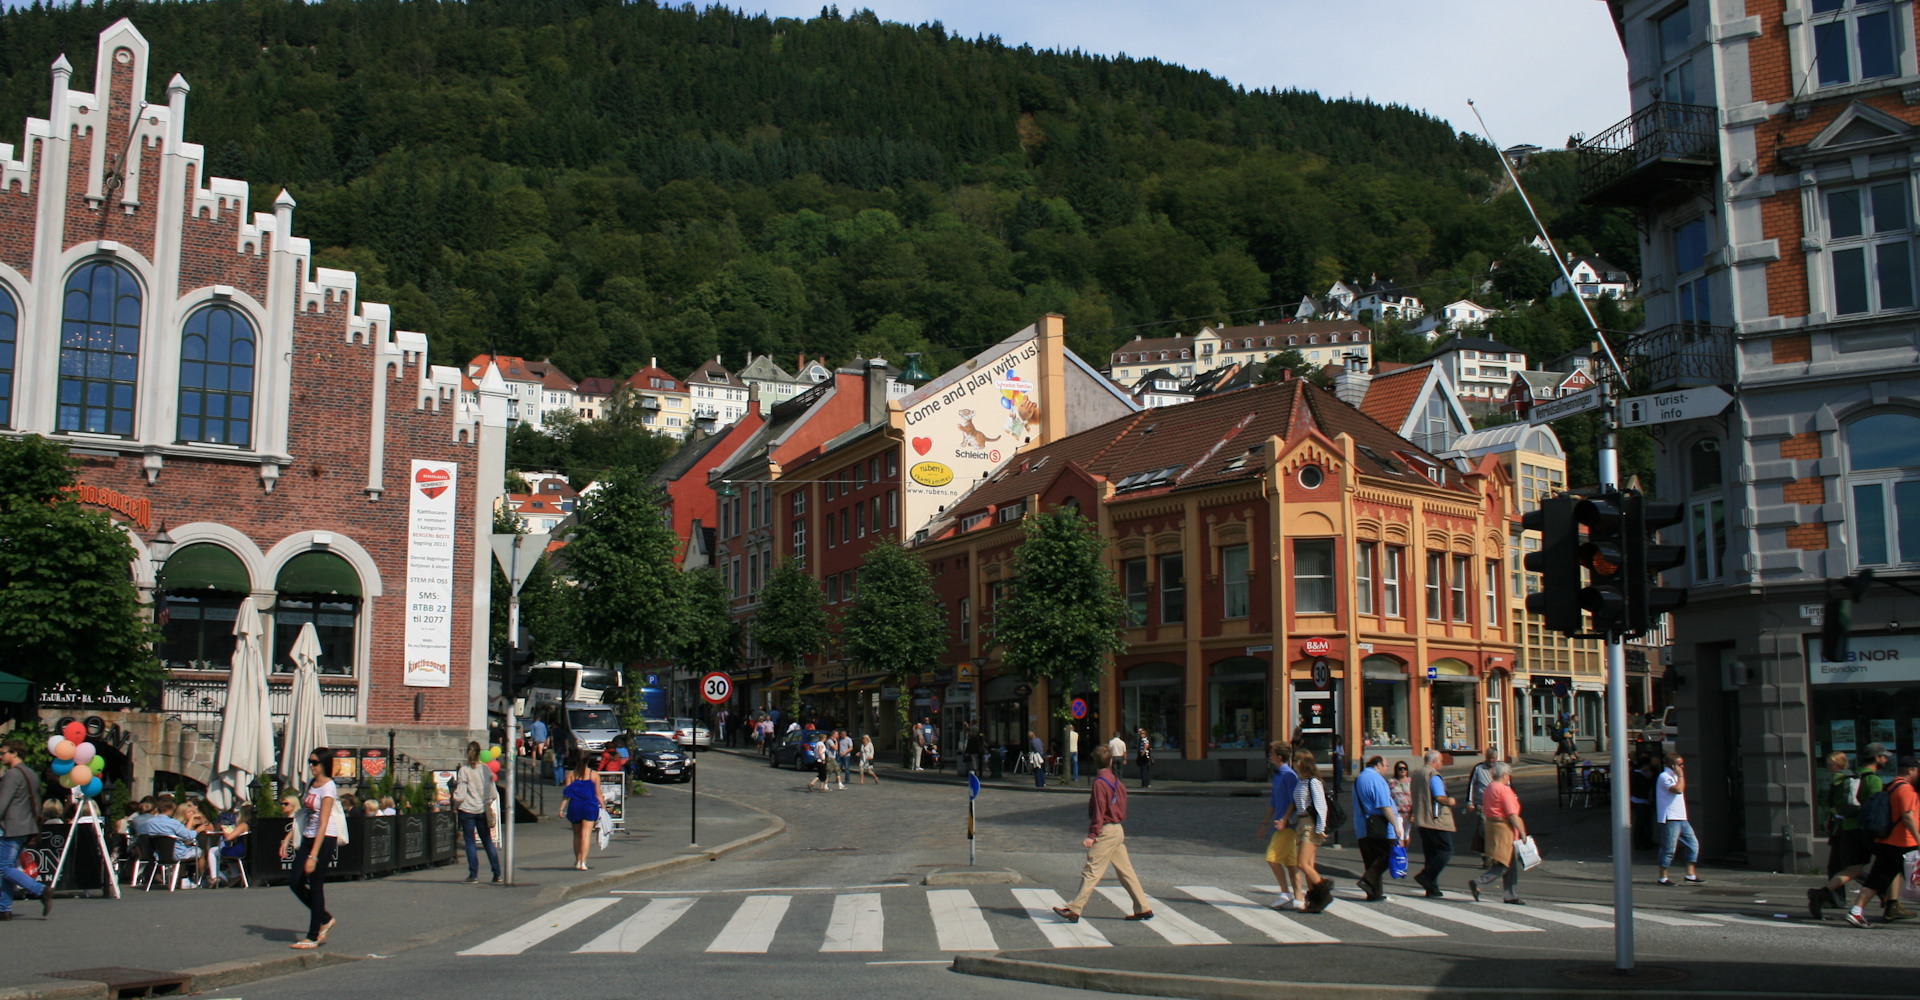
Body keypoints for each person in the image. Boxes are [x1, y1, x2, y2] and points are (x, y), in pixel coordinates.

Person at [1050, 744, 1153, 923]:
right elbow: (1120, 804)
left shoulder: (1099, 783)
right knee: (1126, 871)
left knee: (1092, 870)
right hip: (1118, 828)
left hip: (1106, 831)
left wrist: (1092, 834)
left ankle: (1075, 908)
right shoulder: (1116, 781)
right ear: (1111, 761)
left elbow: (1099, 811)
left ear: (1095, 762)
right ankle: (1143, 907)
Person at [1844, 755, 1920, 928]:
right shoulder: (1906, 789)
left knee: (1875, 880)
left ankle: (1856, 911)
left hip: (1887, 842)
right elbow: (1908, 816)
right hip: (1904, 844)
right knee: (1916, 879)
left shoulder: (1892, 785)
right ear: (1910, 770)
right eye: (1916, 770)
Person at [283, 746, 346, 949]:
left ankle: (313, 936)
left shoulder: (329, 787)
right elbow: (304, 815)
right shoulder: (312, 783)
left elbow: (323, 821)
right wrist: (287, 839)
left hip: (324, 837)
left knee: (316, 885)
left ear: (324, 764)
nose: (311, 766)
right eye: (310, 762)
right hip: (308, 835)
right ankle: (325, 918)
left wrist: (314, 856)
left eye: (315, 762)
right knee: (295, 882)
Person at [1811, 747, 1879, 919]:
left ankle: (1876, 891)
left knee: (1848, 866)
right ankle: (1834, 896)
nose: (1829, 767)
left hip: (1844, 826)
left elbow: (1837, 805)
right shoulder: (1849, 778)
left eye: (1831, 764)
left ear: (1839, 764)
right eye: (1828, 764)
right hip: (1844, 825)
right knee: (1847, 865)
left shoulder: (1841, 780)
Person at [0, 739, 49, 920]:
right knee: (8, 867)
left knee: (3, 867)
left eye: (3, 752)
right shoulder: (31, 773)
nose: (1, 756)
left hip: (11, 826)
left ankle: (41, 890)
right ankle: (4, 908)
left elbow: (2, 803)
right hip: (26, 825)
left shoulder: (12, 774)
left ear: (14, 753)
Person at [1468, 761, 1527, 904]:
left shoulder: (1490, 788)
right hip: (1504, 828)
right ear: (1504, 775)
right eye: (1509, 775)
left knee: (1510, 862)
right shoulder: (1504, 790)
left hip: (1492, 826)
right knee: (1504, 862)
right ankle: (1479, 882)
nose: (1509, 778)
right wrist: (1523, 832)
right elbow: (1512, 814)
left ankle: (1510, 894)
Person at [1353, 755, 1404, 902]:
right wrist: (1395, 824)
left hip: (1363, 826)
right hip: (1379, 825)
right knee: (1387, 856)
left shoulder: (1359, 779)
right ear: (1379, 764)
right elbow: (1384, 805)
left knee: (1371, 860)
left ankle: (1374, 892)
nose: (1387, 769)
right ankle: (1367, 881)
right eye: (1387, 765)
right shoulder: (1377, 780)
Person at [1290, 749, 1333, 913]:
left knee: (1301, 863)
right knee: (1308, 865)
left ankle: (1323, 892)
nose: (1294, 764)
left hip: (1311, 826)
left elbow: (1321, 806)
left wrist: (1321, 828)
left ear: (1303, 763)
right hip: (1302, 823)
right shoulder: (1301, 781)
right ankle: (1313, 902)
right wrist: (1289, 820)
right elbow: (1300, 807)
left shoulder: (1313, 782)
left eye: (1296, 761)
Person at [1411, 748, 1457, 898]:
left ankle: (1432, 887)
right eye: (1441, 762)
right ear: (1434, 761)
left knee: (1430, 854)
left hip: (1421, 818)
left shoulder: (1417, 773)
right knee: (1445, 850)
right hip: (1435, 819)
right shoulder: (1433, 775)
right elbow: (1439, 797)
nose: (1442, 765)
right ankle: (1426, 876)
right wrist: (1449, 801)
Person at [454, 741, 502, 884]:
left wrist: (455, 803)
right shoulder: (486, 770)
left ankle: (473, 874)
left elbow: (461, 794)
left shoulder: (464, 770)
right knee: (487, 841)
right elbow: (493, 792)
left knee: (470, 842)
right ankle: (497, 873)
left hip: (467, 809)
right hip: (482, 809)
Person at [1259, 740, 1299, 910]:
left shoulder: (1289, 776)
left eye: (1272, 753)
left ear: (1279, 757)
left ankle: (1285, 893)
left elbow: (1294, 801)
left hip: (1287, 826)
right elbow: (1273, 801)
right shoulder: (1277, 775)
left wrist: (1285, 820)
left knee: (1272, 858)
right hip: (1280, 824)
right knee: (1291, 862)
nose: (1270, 755)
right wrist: (1264, 822)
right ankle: (1299, 897)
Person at [1654, 752, 1702, 886]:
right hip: (1670, 817)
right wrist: (1680, 775)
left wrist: (1679, 775)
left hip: (1681, 817)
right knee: (1669, 848)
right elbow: (1678, 790)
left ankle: (1690, 873)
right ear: (1673, 765)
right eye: (1680, 764)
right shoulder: (1664, 776)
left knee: (1693, 844)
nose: (1683, 767)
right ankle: (1662, 877)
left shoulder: (1675, 776)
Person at [144, 799, 206, 888]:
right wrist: (198, 830)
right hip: (177, 853)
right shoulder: (173, 823)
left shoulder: (150, 822)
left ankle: (184, 878)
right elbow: (188, 836)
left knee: (181, 850)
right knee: (200, 852)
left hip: (159, 854)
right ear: (170, 809)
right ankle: (201, 879)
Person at [561, 751, 603, 870]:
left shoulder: (571, 775)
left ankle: (577, 860)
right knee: (586, 835)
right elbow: (598, 794)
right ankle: (583, 862)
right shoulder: (593, 774)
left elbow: (567, 793)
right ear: (588, 760)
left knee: (577, 835)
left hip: (575, 806)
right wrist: (604, 808)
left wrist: (561, 808)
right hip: (589, 806)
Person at [1465, 749, 1498, 867]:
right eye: (1489, 758)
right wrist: (1469, 802)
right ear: (1486, 757)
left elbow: (1508, 785)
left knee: (1496, 831)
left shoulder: (1500, 769)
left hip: (1497, 805)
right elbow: (1471, 785)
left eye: (1493, 758)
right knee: (1484, 830)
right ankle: (1487, 855)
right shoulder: (1478, 768)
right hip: (1482, 804)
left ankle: (1494, 855)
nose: (1491, 760)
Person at [1629, 751, 1657, 851]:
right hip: (1641, 801)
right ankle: (1642, 842)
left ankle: (1642, 842)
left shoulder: (1635, 774)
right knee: (1641, 823)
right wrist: (1649, 779)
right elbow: (1644, 789)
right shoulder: (1639, 776)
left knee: (1641, 823)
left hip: (1638, 801)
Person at [1390, 760, 1414, 830]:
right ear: (1396, 770)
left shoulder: (1411, 781)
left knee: (1407, 834)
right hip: (1397, 812)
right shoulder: (1391, 781)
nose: (1402, 770)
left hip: (1409, 812)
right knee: (1400, 833)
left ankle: (1406, 841)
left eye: (1404, 768)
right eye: (1400, 769)